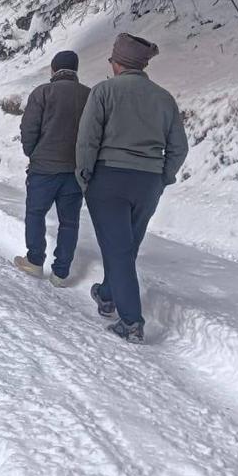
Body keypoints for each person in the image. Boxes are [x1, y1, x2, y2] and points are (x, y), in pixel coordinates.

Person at [75, 33, 188, 344]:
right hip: (148, 181)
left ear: (118, 63)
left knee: (118, 248)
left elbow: (87, 140)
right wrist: (162, 177)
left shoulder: (103, 92)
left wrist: (84, 176)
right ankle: (108, 294)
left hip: (108, 178)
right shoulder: (164, 98)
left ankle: (131, 321)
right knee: (125, 246)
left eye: (112, 60)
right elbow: (179, 148)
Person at [13, 50, 90, 287]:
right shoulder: (90, 95)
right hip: (75, 170)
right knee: (70, 221)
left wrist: (33, 152)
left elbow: (29, 129)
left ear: (53, 69)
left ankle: (35, 261)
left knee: (36, 214)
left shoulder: (43, 93)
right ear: (75, 69)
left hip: (43, 169)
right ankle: (61, 272)